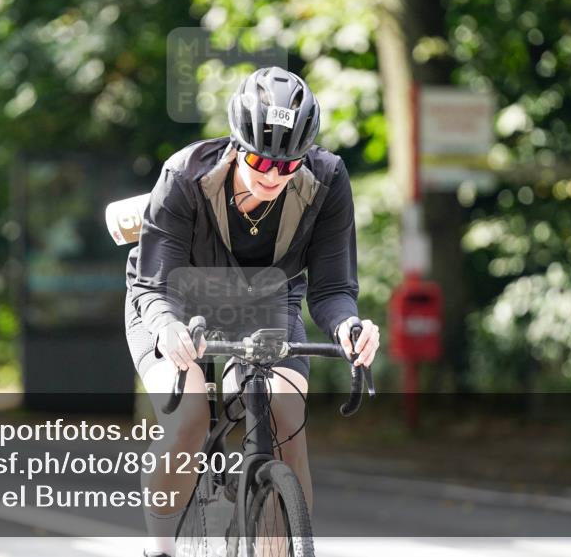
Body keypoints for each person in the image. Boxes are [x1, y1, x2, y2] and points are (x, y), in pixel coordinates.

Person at [124, 66, 381, 557]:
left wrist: (348, 326)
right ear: (237, 145)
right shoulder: (185, 176)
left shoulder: (326, 183)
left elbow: (331, 289)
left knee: (285, 410)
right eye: (261, 162)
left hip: (266, 297)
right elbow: (155, 285)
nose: (273, 176)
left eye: (288, 166)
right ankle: (159, 549)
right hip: (172, 299)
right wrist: (168, 328)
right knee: (189, 420)